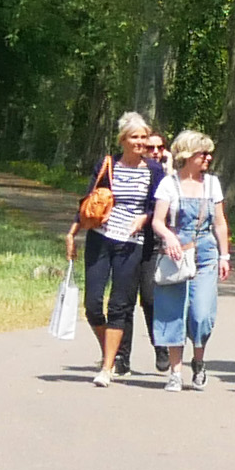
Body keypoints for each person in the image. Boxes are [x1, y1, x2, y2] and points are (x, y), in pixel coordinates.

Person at [68, 112, 163, 388]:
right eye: (135, 137)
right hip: (100, 238)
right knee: (93, 304)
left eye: (144, 137)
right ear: (123, 140)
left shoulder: (154, 171)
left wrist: (144, 219)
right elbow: (88, 201)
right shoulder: (107, 165)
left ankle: (108, 367)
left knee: (119, 305)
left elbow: (159, 206)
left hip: (132, 244)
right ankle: (107, 348)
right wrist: (73, 233)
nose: (141, 142)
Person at [143, 128, 231, 388]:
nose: (208, 158)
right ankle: (175, 373)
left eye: (209, 154)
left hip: (205, 252)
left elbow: (220, 223)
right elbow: (157, 222)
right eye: (203, 153)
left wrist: (224, 256)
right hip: (175, 252)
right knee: (172, 311)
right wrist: (169, 238)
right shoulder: (168, 184)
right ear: (188, 155)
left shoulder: (212, 184)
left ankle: (199, 361)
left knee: (201, 313)